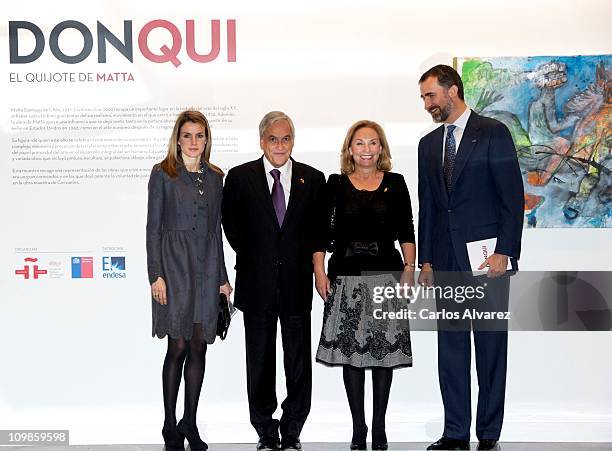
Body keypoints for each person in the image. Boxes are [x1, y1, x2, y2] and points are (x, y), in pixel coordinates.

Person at [416, 65, 524, 451]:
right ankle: (456, 433)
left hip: (487, 263)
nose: (427, 104)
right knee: (452, 352)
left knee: (491, 353)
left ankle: (489, 435)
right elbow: (428, 207)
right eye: (424, 98)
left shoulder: (493, 132)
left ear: (453, 91)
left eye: (431, 96)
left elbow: (512, 198)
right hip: (445, 262)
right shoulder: (427, 145)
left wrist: (505, 252)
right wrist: (425, 261)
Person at [221, 111, 326, 451]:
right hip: (256, 284)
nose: (280, 145)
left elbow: (317, 232)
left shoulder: (313, 178)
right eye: (273, 139)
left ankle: (293, 429)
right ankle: (265, 430)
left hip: (296, 285)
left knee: (298, 363)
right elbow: (231, 226)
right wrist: (258, 257)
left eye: (286, 139)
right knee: (260, 362)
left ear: (292, 141)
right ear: (261, 141)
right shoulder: (239, 178)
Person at [313, 120, 416, 451]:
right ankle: (359, 428)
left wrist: (409, 270)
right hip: (345, 278)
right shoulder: (335, 185)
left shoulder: (396, 184)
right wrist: (318, 270)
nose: (367, 149)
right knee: (351, 357)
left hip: (386, 278)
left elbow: (407, 230)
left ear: (382, 148)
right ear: (349, 149)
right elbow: (320, 233)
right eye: (360, 143)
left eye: (373, 143)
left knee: (382, 357)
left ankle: (380, 428)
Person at [146, 110, 232, 451]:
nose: (193, 142)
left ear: (207, 139)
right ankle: (169, 424)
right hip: (174, 267)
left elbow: (215, 232)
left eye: (199, 135)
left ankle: (189, 423)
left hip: (207, 266)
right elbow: (152, 229)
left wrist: (223, 280)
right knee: (178, 345)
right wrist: (156, 275)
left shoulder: (215, 177)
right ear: (177, 139)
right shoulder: (162, 174)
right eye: (187, 135)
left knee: (199, 346)